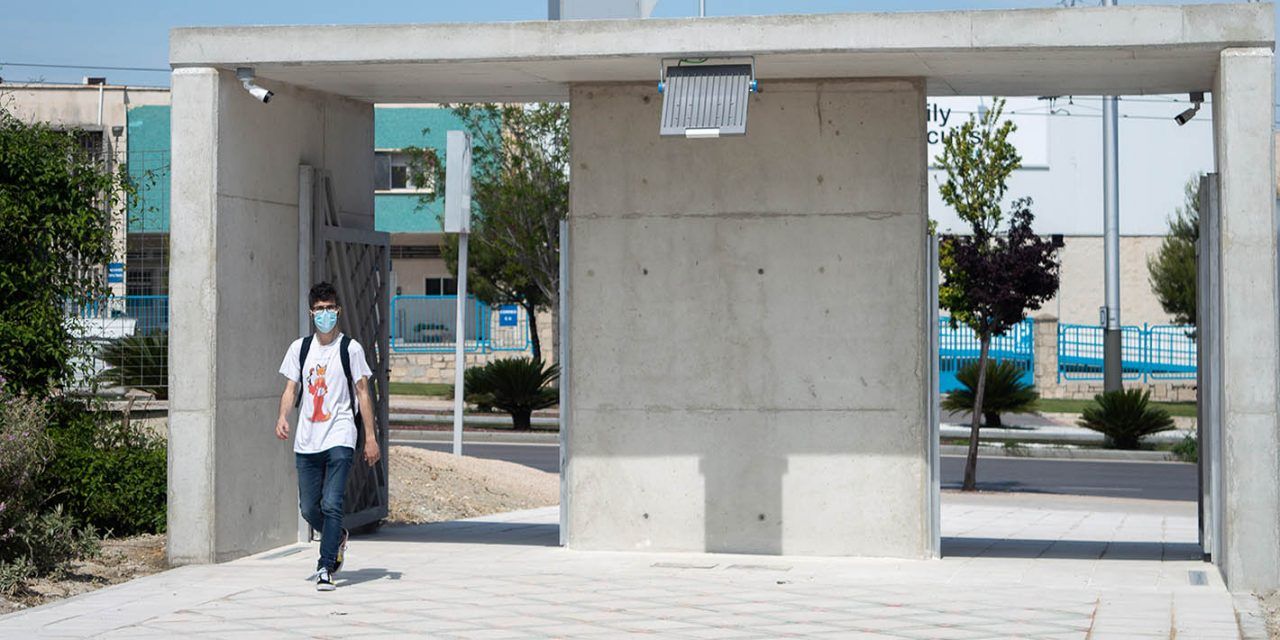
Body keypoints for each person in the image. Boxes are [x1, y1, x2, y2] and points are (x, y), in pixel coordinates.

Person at [276, 282, 381, 591]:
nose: (325, 314)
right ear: (312, 312)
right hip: (307, 439)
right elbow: (290, 389)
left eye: (330, 308)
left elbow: (363, 393)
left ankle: (325, 567)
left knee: (332, 503)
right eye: (319, 309)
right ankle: (338, 537)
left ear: (338, 310)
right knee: (309, 508)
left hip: (340, 435)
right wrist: (282, 417)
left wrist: (371, 438)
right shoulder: (300, 348)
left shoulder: (351, 348)